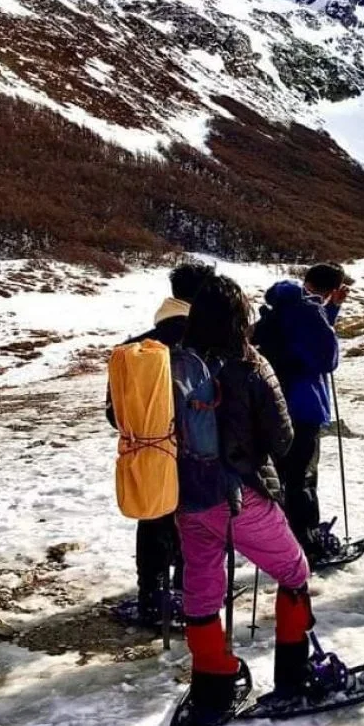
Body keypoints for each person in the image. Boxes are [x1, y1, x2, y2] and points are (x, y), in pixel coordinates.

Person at [177, 274, 352, 720]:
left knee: (202, 582)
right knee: (293, 570)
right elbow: (282, 438)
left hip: (187, 496)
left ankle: (212, 675)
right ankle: (295, 675)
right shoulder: (250, 364)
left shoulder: (173, 363)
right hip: (239, 495)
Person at [106, 260, 214, 627]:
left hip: (150, 453)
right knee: (196, 525)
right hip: (201, 457)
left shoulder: (135, 348)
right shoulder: (211, 346)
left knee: (154, 523)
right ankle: (191, 594)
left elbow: (113, 413)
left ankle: (152, 597)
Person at [252, 263, 352, 564]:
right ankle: (307, 543)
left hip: (274, 402)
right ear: (333, 289)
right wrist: (328, 317)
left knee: (282, 474)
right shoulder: (309, 312)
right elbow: (326, 359)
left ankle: (281, 537)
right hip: (303, 403)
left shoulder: (285, 303)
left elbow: (301, 341)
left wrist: (330, 310)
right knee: (303, 477)